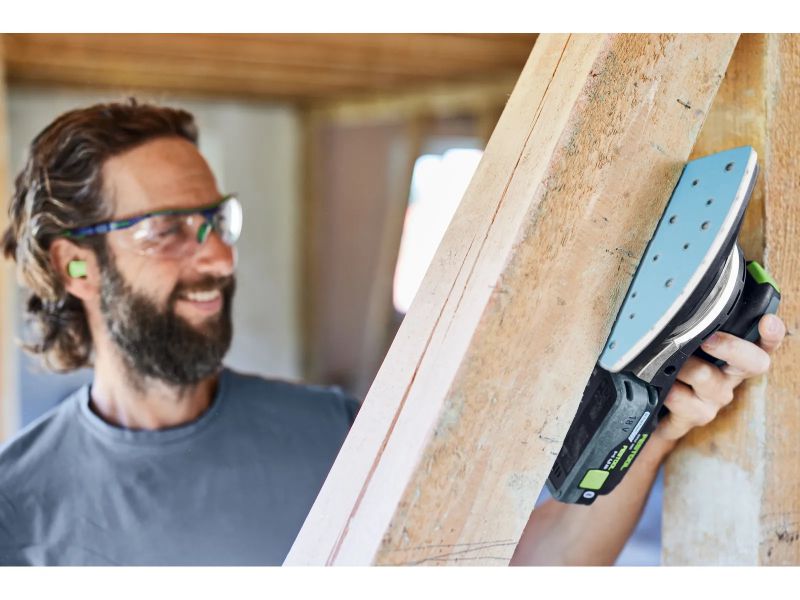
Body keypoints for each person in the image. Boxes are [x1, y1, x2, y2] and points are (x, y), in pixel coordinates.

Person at [0, 100, 786, 566]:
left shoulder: (337, 433)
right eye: (167, 230)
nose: (216, 256)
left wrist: (654, 427)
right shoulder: (18, 508)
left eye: (214, 221)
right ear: (75, 265)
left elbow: (526, 570)